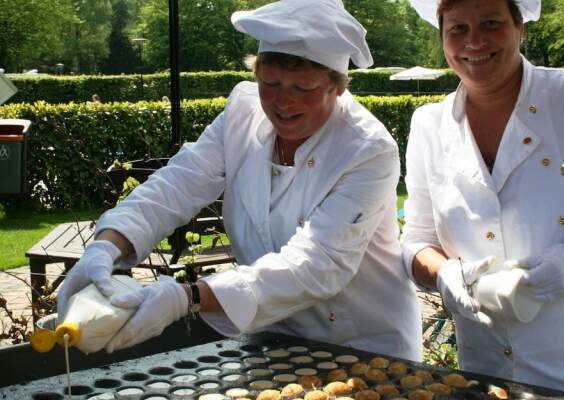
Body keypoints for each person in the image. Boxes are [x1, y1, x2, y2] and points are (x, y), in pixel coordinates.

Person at [57, 0, 422, 360]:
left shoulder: (367, 150)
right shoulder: (241, 116)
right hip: (271, 340)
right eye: (270, 82)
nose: (282, 101)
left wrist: (190, 297)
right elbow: (177, 184)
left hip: (367, 346)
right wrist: (106, 245)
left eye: (303, 88)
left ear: (338, 86)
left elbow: (317, 263)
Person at [402, 0, 564, 397]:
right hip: (486, 368)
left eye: (491, 23)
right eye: (457, 28)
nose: (474, 41)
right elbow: (416, 240)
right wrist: (446, 276)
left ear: (521, 27)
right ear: (442, 36)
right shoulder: (429, 125)